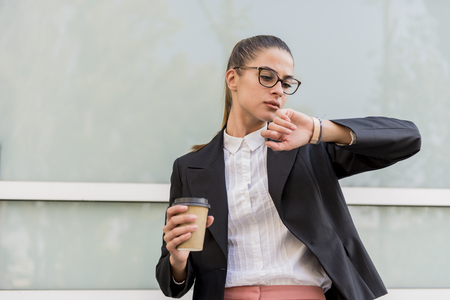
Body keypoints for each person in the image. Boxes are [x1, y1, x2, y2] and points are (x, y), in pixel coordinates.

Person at [155, 35, 421, 300]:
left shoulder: (307, 146)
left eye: (286, 82)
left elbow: (408, 138)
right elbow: (172, 283)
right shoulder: (191, 167)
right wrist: (178, 260)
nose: (278, 90)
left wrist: (319, 130)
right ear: (232, 79)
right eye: (267, 77)